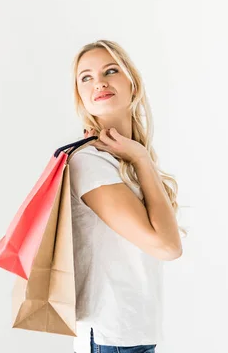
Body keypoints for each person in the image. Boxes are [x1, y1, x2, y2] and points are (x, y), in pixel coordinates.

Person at [68, 40, 188, 353]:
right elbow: (167, 246)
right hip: (111, 335)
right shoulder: (90, 162)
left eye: (110, 70)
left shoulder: (126, 161)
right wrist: (143, 161)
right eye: (86, 77)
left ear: (132, 85)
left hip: (133, 330)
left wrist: (139, 158)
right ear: (81, 98)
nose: (100, 82)